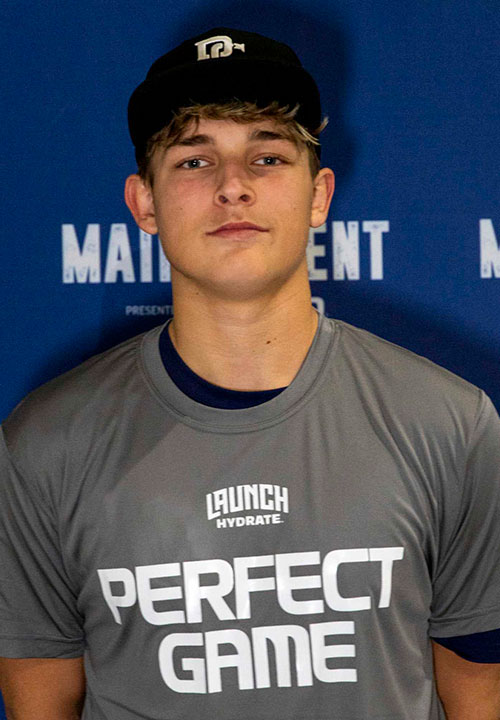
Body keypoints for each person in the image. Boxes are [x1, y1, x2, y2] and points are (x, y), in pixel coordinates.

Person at [1, 26, 500, 720]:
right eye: (194, 160)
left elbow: (479, 691)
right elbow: (40, 697)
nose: (233, 186)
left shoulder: (451, 424)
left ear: (319, 195)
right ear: (144, 203)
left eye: (267, 157)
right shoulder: (45, 444)